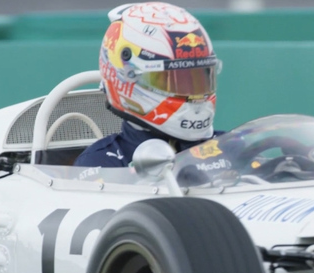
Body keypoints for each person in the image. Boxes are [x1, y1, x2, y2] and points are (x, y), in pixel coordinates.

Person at [75, 2, 224, 168]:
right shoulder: (100, 165)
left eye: (198, 80)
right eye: (174, 81)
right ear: (127, 77)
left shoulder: (230, 149)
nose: (193, 93)